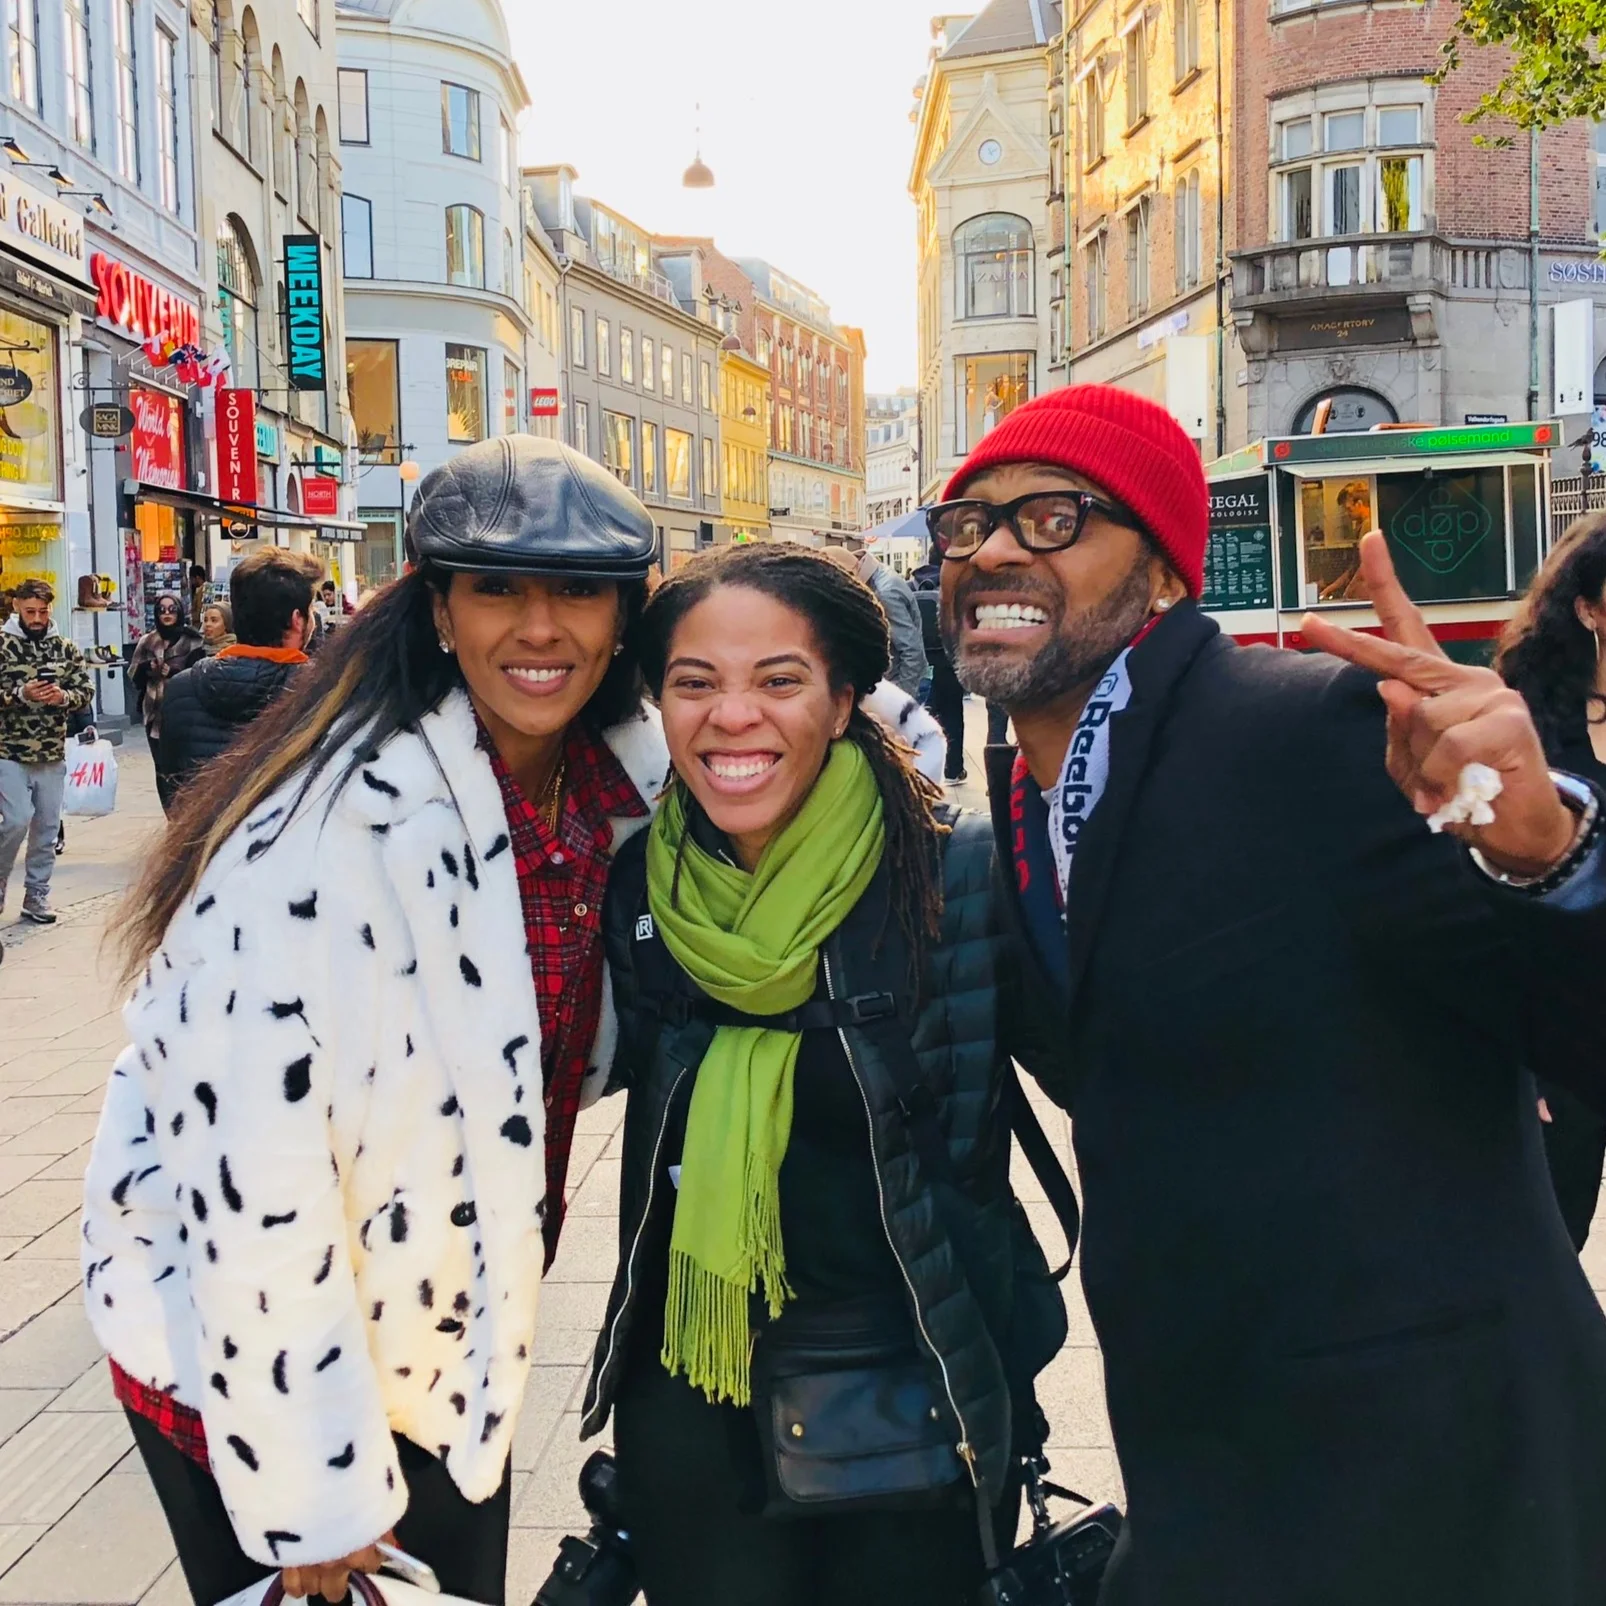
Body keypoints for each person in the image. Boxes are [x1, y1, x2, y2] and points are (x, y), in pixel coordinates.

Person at [932, 385, 1606, 1605]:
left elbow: (1576, 1033)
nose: (989, 550)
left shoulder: (1321, 730)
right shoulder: (1023, 806)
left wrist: (1542, 852)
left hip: (1435, 1489)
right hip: (1210, 1475)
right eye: (967, 522)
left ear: (1169, 575)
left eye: (1050, 517)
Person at [80, 438, 671, 1606]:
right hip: (258, 1364)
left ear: (621, 618)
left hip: (443, 1339)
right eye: (496, 587)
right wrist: (316, 1497)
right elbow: (251, 1186)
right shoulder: (318, 838)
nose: (539, 628)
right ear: (438, 611)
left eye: (577, 591)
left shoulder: (614, 791)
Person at [580, 543, 1064, 1606]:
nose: (732, 716)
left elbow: (1126, 1069)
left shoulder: (954, 875)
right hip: (688, 1389)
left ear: (846, 700)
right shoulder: (640, 884)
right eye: (694, 683)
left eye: (780, 681)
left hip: (903, 1395)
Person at [1496, 511, 1606, 1249]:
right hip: (1567, 1034)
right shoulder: (1529, 726)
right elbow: (1487, 903)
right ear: (1590, 609)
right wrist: (1518, 1063)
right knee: (1548, 1252)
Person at [156, 551, 317, 807]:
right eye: (311, 611)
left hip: (207, 841)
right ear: (298, 620)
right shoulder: (322, 688)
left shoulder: (180, 689)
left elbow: (171, 791)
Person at [0, 579, 92, 925]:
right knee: (16, 820)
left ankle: (36, 893)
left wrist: (63, 698)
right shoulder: (3, 645)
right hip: (8, 750)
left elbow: (84, 690)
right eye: (30, 612)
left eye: (42, 611)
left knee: (47, 828)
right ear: (16, 608)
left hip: (52, 752)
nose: (36, 618)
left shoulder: (65, 648)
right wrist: (19, 694)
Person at [128, 594, 204, 807]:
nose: (167, 614)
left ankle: (187, 810)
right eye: (162, 610)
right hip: (154, 712)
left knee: (184, 766)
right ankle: (170, 812)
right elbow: (134, 675)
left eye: (172, 610)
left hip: (185, 713)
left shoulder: (192, 640)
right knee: (162, 768)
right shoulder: (148, 641)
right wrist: (149, 670)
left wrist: (174, 672)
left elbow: (198, 673)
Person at [823, 545, 927, 695]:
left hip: (899, 686)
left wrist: (900, 701)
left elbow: (912, 652)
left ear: (849, 574)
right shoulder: (875, 575)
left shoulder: (883, 593)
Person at [912, 564, 969, 782]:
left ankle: (921, 769)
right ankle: (954, 770)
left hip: (921, 661)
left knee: (921, 713)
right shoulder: (950, 593)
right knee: (953, 713)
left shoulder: (910, 590)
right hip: (948, 661)